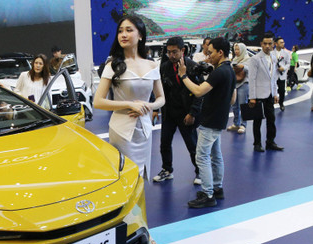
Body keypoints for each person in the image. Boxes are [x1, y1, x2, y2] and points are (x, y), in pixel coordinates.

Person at [94, 15, 165, 181]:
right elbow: (98, 101)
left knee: (141, 179)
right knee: (125, 177)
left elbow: (161, 98)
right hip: (121, 131)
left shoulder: (152, 64)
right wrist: (129, 105)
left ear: (140, 35)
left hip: (145, 130)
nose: (123, 35)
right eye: (120, 31)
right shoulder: (112, 65)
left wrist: (149, 105)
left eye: (128, 30)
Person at [178, 37, 235, 208]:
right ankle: (217, 187)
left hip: (210, 121)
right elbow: (232, 99)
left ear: (220, 52)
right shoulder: (229, 70)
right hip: (219, 119)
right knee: (216, 156)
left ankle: (208, 193)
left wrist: (183, 75)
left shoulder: (219, 72)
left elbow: (197, 91)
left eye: (210, 53)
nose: (208, 56)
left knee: (201, 156)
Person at [153, 36, 203, 185]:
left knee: (192, 145)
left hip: (186, 113)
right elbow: (159, 90)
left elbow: (199, 93)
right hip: (169, 113)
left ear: (182, 50)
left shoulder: (193, 67)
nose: (172, 55)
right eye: (169, 52)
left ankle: (200, 172)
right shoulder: (164, 67)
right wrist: (156, 108)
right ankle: (167, 170)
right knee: (164, 143)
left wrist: (193, 113)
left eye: (175, 52)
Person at [248, 31, 284, 152]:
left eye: (270, 43)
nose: (267, 46)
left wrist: (275, 93)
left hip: (269, 94)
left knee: (271, 119)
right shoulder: (255, 59)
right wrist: (252, 97)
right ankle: (257, 144)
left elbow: (273, 77)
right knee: (257, 121)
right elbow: (251, 79)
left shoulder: (273, 57)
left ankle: (270, 142)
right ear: (261, 44)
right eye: (265, 43)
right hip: (258, 94)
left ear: (273, 44)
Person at [228, 42, 250, 134]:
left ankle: (243, 124)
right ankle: (236, 123)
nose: (236, 51)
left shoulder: (247, 59)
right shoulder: (235, 59)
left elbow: (248, 69)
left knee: (243, 104)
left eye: (238, 49)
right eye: (235, 49)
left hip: (243, 84)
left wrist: (242, 66)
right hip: (235, 84)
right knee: (235, 105)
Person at [274, 37, 290, 110]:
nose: (283, 43)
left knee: (282, 90)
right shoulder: (271, 53)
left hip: (282, 75)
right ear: (276, 44)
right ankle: (272, 103)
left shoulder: (286, 53)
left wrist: (284, 68)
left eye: (283, 42)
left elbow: (288, 63)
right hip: (273, 75)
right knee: (272, 90)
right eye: (281, 42)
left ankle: (281, 103)